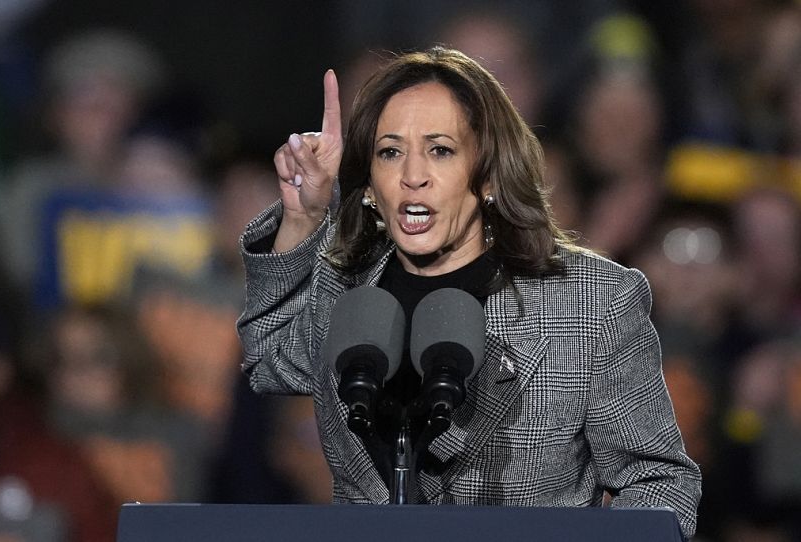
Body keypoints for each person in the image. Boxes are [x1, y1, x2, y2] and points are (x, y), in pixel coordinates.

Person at [237, 47, 701, 539]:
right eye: (389, 152)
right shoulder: (345, 287)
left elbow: (658, 481)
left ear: (486, 174)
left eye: (441, 150)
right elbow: (267, 362)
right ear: (371, 184)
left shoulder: (593, 301)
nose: (413, 176)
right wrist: (303, 217)